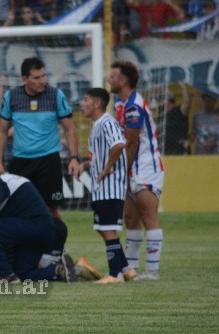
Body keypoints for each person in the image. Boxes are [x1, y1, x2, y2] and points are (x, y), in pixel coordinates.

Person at [0, 57, 80, 266]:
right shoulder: (11, 97)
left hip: (48, 160)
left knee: (51, 209)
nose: (42, 81)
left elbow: (69, 127)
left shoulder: (55, 95)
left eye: (43, 76)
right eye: (36, 77)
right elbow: (2, 130)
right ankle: (17, 254)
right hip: (21, 162)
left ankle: (58, 250)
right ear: (25, 79)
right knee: (16, 210)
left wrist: (74, 158)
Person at [0, 165, 78, 283]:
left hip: (33, 226)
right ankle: (58, 270)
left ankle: (7, 275)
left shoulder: (0, 182)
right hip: (41, 231)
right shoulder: (9, 180)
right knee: (24, 274)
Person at [108, 60, 165, 281]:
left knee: (148, 215)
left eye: (112, 77)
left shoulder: (133, 106)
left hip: (146, 166)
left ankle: (152, 271)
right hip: (133, 166)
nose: (108, 80)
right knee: (130, 217)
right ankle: (129, 270)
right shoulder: (121, 104)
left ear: (123, 81)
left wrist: (121, 170)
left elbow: (131, 143)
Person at [76, 88, 137, 283]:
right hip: (102, 186)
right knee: (102, 227)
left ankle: (115, 274)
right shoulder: (97, 125)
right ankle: (126, 269)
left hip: (110, 186)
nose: (81, 104)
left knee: (108, 229)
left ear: (96, 103)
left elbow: (119, 144)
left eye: (85, 99)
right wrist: (86, 165)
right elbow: (101, 154)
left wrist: (105, 169)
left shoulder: (107, 122)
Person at [162, 81, 190, 155]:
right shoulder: (162, 115)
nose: (161, 102)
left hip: (179, 150)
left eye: (163, 100)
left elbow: (187, 103)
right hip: (166, 151)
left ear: (169, 101)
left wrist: (183, 87)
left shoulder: (178, 111)